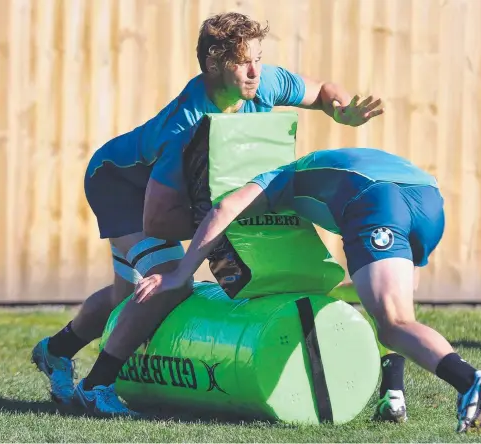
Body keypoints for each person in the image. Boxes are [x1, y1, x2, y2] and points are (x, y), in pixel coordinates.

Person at [31, 12, 386, 418]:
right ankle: (97, 386)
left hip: (150, 192)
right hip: (120, 187)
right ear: (215, 65)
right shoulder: (187, 126)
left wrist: (339, 109)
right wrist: (223, 220)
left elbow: (322, 90)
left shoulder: (261, 83)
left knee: (125, 297)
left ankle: (55, 352)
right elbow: (158, 222)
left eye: (259, 57)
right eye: (243, 61)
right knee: (169, 282)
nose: (256, 70)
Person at [134, 147, 481, 433]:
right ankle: (394, 395)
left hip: (376, 200)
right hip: (427, 198)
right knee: (398, 312)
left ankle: (469, 380)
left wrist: (182, 273)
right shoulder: (316, 165)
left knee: (393, 322)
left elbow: (224, 209)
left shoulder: (278, 176)